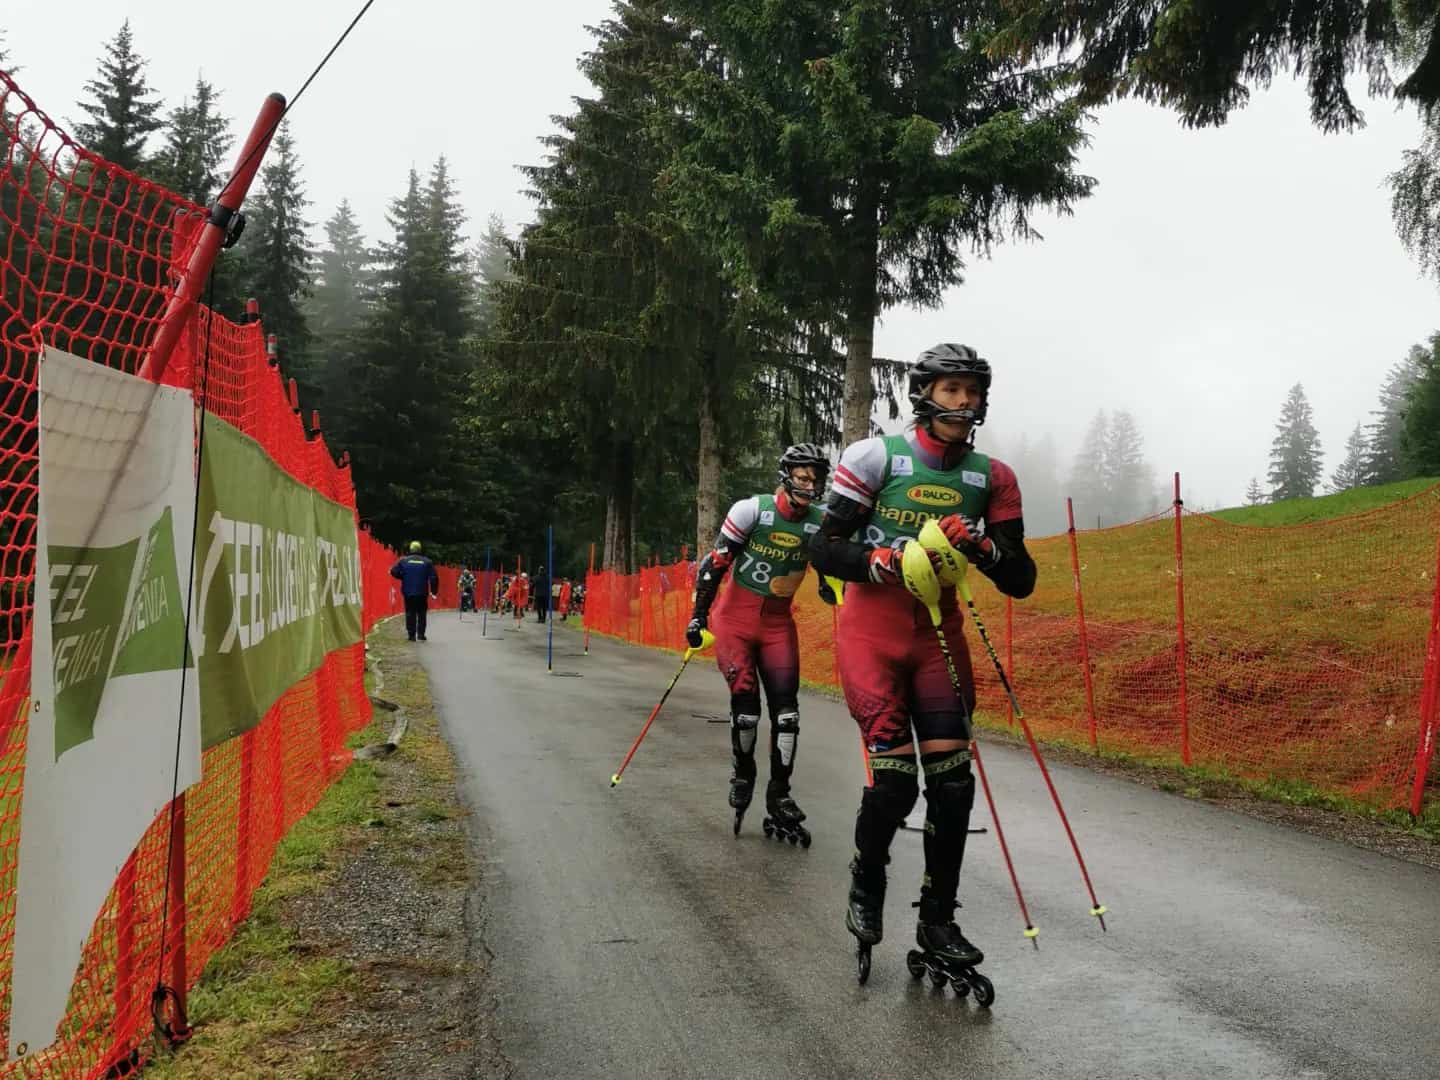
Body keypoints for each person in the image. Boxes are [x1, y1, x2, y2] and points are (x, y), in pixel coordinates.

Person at [809, 344, 1037, 976]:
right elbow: (824, 549)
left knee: (953, 785)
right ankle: (867, 876)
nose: (965, 401)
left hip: (939, 639)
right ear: (924, 393)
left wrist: (987, 548)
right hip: (872, 637)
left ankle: (938, 919)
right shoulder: (878, 457)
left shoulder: (993, 477)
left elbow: (1022, 579)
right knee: (896, 783)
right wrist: (880, 561)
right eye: (952, 389)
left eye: (973, 391)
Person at [686, 444, 837, 844]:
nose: (810, 485)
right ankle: (744, 771)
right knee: (748, 710)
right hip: (734, 622)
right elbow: (715, 563)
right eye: (803, 477)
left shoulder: (819, 522)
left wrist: (830, 583)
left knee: (787, 715)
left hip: (776, 625)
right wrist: (698, 616)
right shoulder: (752, 510)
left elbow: (828, 565)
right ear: (787, 476)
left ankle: (780, 794)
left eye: (816, 478)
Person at [390, 541, 440, 642]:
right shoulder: (427, 562)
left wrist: (403, 577)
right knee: (422, 613)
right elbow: (434, 577)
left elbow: (393, 571)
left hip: (408, 592)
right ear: (420, 549)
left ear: (410, 549)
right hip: (422, 592)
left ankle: (411, 635)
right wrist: (434, 591)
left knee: (410, 612)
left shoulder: (403, 561)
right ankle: (421, 635)